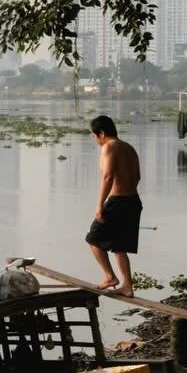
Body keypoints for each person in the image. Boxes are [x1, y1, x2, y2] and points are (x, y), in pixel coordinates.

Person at [84, 115, 142, 297]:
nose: (95, 140)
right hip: (133, 201)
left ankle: (110, 277)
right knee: (119, 247)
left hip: (118, 202)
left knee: (93, 240)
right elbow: (137, 177)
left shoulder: (109, 146)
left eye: (94, 136)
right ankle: (127, 287)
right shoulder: (129, 148)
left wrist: (100, 205)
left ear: (101, 133)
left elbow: (108, 176)